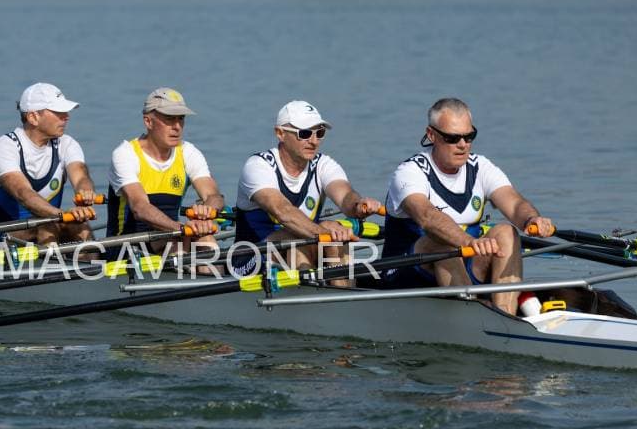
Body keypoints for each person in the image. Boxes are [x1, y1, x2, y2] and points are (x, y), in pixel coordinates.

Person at [382, 97, 554, 314]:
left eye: (469, 136)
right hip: (404, 272)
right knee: (441, 242)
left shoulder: (480, 167)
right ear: (431, 135)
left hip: (465, 267)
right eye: (452, 138)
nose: (463, 145)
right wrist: (469, 242)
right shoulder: (410, 172)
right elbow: (427, 217)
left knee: (506, 232)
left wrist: (531, 219)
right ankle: (472, 314)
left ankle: (504, 316)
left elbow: (514, 202)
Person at [234, 100, 383, 283]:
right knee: (301, 236)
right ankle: (314, 292)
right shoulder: (258, 166)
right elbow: (283, 212)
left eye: (319, 133)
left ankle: (343, 292)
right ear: (280, 133)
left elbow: (345, 196)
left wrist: (357, 206)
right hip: (249, 259)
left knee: (332, 231)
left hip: (301, 249)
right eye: (304, 133)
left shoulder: (323, 164)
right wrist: (325, 233)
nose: (313, 141)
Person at [106, 87, 221, 253]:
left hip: (172, 237)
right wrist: (181, 228)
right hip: (126, 248)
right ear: (148, 122)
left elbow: (213, 196)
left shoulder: (188, 152)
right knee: (178, 242)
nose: (177, 126)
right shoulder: (125, 154)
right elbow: (139, 208)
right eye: (169, 119)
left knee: (205, 237)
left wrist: (207, 212)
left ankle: (211, 269)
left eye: (181, 119)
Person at [0, 82, 98, 247]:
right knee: (46, 225)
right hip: (1, 239)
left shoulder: (66, 144)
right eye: (58, 112)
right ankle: (55, 261)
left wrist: (85, 191)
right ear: (33, 117)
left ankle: (92, 262)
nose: (66, 116)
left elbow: (80, 177)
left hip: (50, 226)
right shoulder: (5, 147)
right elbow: (23, 194)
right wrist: (62, 215)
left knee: (80, 226)